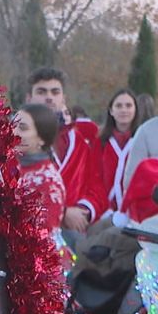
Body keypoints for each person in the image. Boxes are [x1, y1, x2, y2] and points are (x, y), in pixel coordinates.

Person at [24, 67, 100, 231]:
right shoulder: (15, 139)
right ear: (29, 98)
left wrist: (83, 210)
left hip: (75, 229)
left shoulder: (78, 142)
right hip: (27, 231)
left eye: (55, 92)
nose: (49, 97)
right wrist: (63, 212)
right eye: (42, 92)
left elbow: (95, 185)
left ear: (63, 99)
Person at [94, 88, 149, 216]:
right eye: (119, 106)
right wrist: (104, 208)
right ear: (111, 111)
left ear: (135, 110)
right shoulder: (100, 141)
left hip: (134, 211)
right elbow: (95, 177)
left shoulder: (143, 139)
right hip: (104, 211)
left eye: (128, 106)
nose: (124, 110)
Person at [13, 103, 65, 230]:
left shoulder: (49, 182)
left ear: (42, 138)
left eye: (23, 128)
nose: (13, 131)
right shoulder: (6, 163)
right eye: (13, 125)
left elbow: (44, 235)